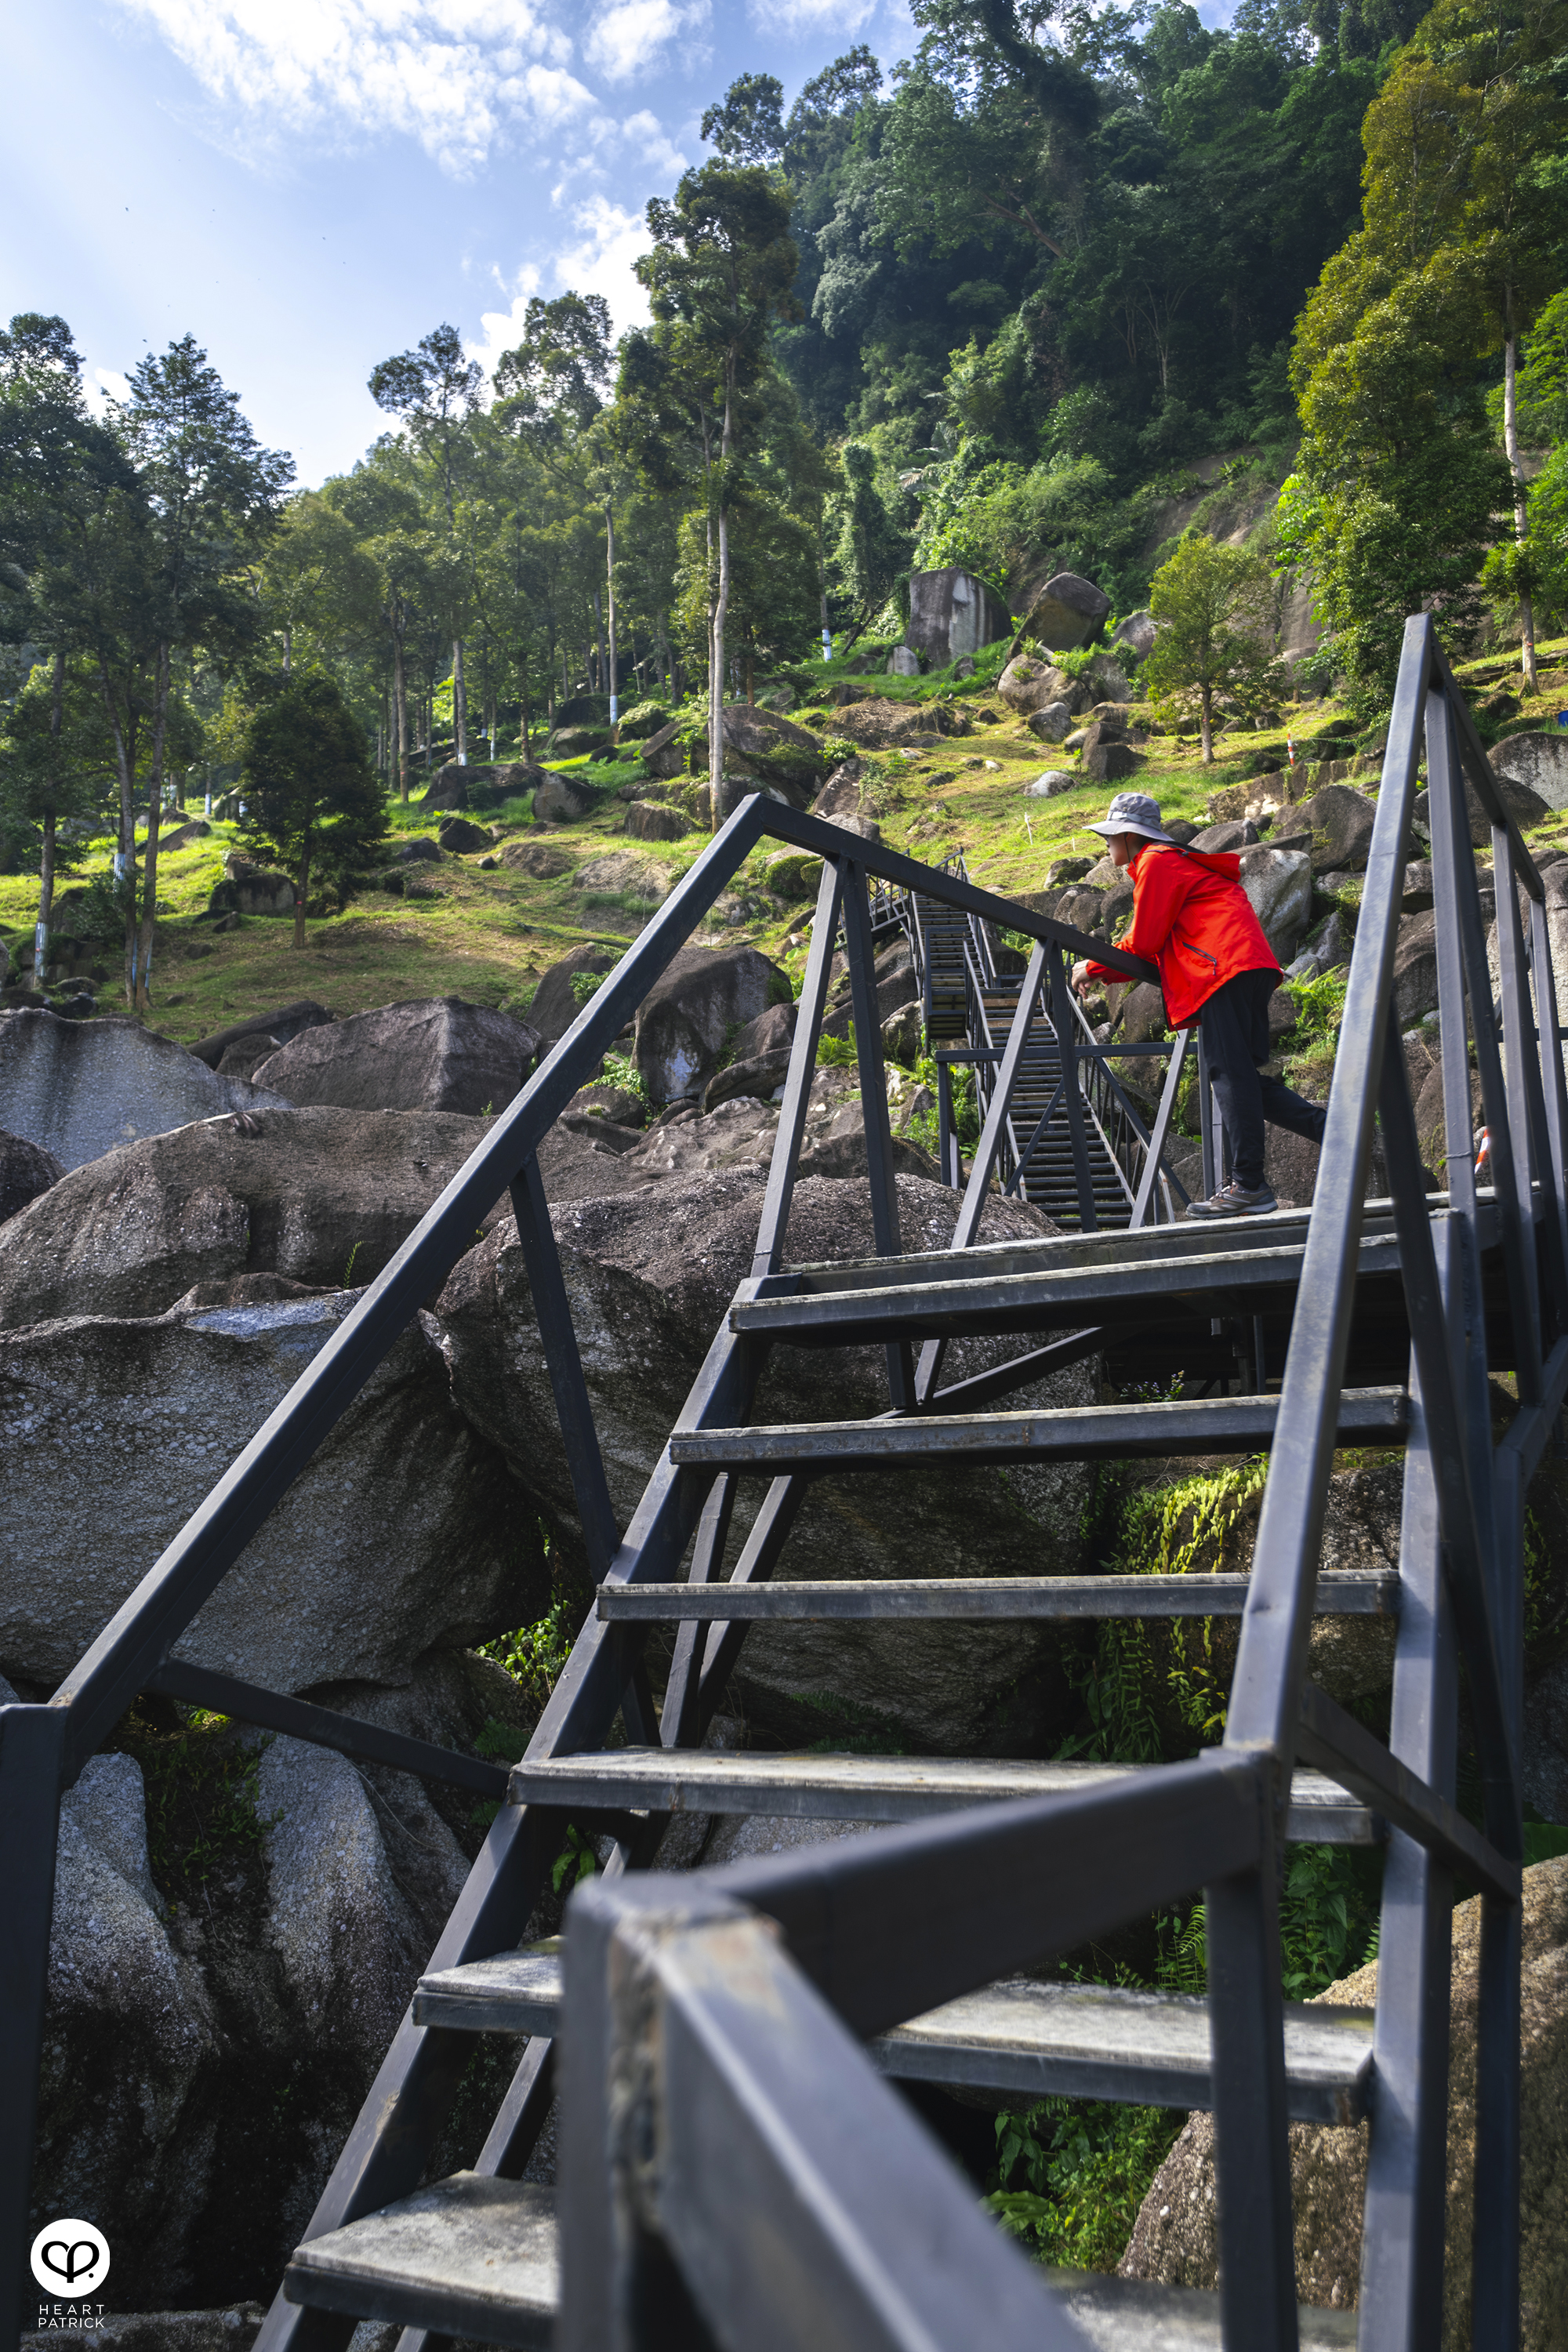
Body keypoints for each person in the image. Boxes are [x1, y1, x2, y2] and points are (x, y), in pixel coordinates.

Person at [1070, 790, 1327, 1218]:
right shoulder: (1172, 862)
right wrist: (1104, 968)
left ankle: (1249, 1186)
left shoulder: (1155, 862)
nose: (1107, 844)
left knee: (1228, 1074)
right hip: (1247, 965)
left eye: (1111, 835)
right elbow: (1154, 948)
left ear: (1131, 836)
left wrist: (1092, 967)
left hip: (1223, 969)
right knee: (1247, 1081)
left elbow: (1146, 941)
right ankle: (1336, 1131)